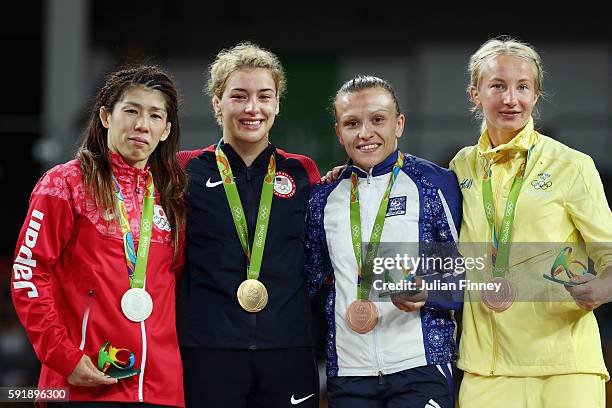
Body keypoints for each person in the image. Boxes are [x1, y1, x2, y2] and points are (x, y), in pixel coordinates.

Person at [11, 65, 187, 407]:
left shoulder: (173, 196)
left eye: (154, 116)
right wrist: (65, 357)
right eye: (131, 111)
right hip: (84, 381)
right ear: (106, 116)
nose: (141, 125)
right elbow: (28, 273)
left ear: (165, 130)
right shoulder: (65, 184)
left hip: (161, 389)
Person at [450, 36, 612, 408]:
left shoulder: (572, 166)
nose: (511, 99)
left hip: (564, 366)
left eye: (523, 87)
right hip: (486, 369)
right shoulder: (461, 167)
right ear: (475, 94)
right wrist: (344, 178)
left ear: (536, 96)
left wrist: (604, 286)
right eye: (497, 86)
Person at [176, 42, 321, 408]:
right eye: (239, 96)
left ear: (277, 104)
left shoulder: (303, 172)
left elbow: (321, 254)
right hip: (208, 349)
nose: (252, 108)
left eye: (264, 96)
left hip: (287, 348)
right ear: (216, 102)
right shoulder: (184, 171)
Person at [305, 75, 463, 407]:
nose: (365, 133)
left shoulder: (433, 184)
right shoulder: (323, 197)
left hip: (420, 366)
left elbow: (469, 273)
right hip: (349, 372)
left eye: (378, 119)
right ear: (338, 131)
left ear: (399, 124)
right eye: (351, 123)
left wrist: (429, 291)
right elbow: (311, 282)